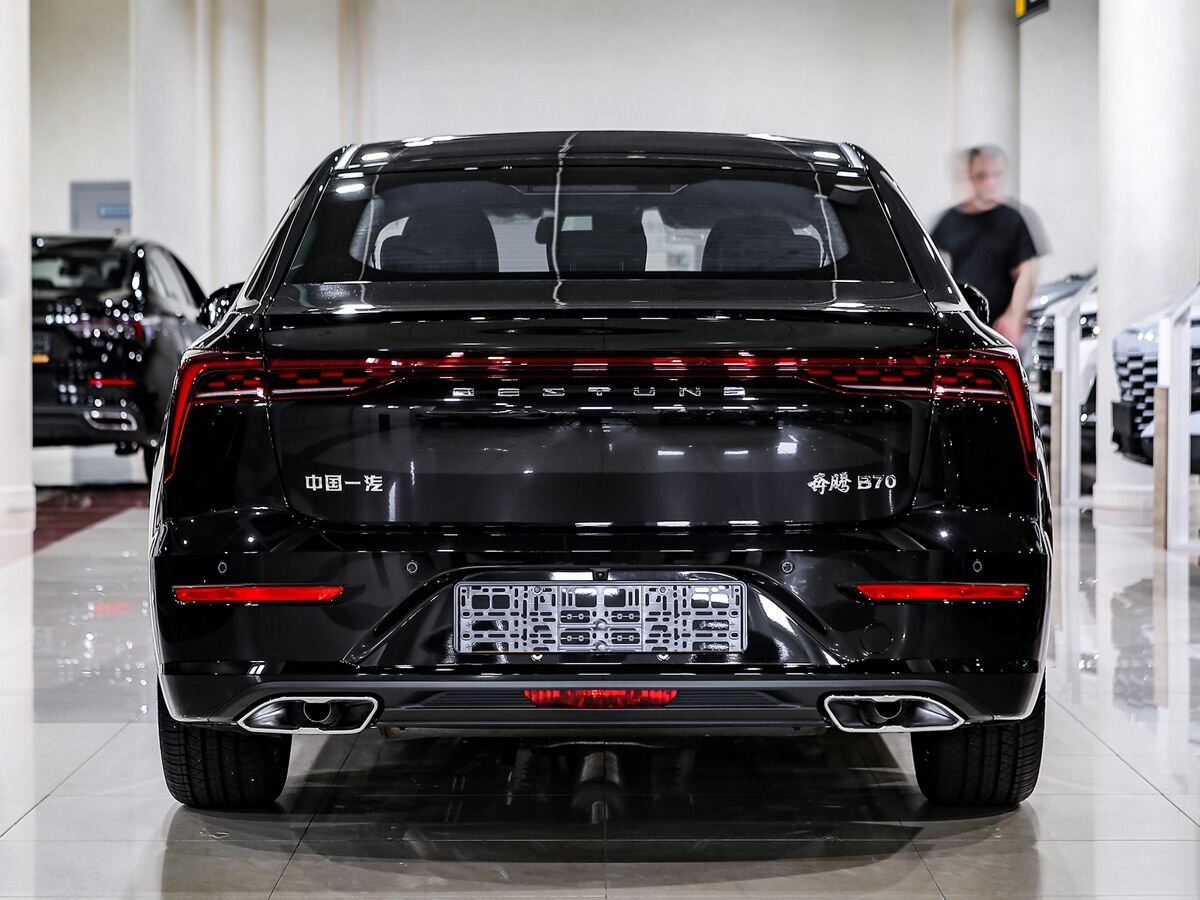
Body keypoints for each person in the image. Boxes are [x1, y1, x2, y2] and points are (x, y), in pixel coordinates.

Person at [932, 146, 1041, 344]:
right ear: (970, 176)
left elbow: (1027, 273)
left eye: (996, 175)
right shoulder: (949, 221)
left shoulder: (1013, 220)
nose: (990, 183)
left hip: (1001, 329)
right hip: (963, 325)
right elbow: (930, 268)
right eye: (982, 176)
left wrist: (1014, 316)